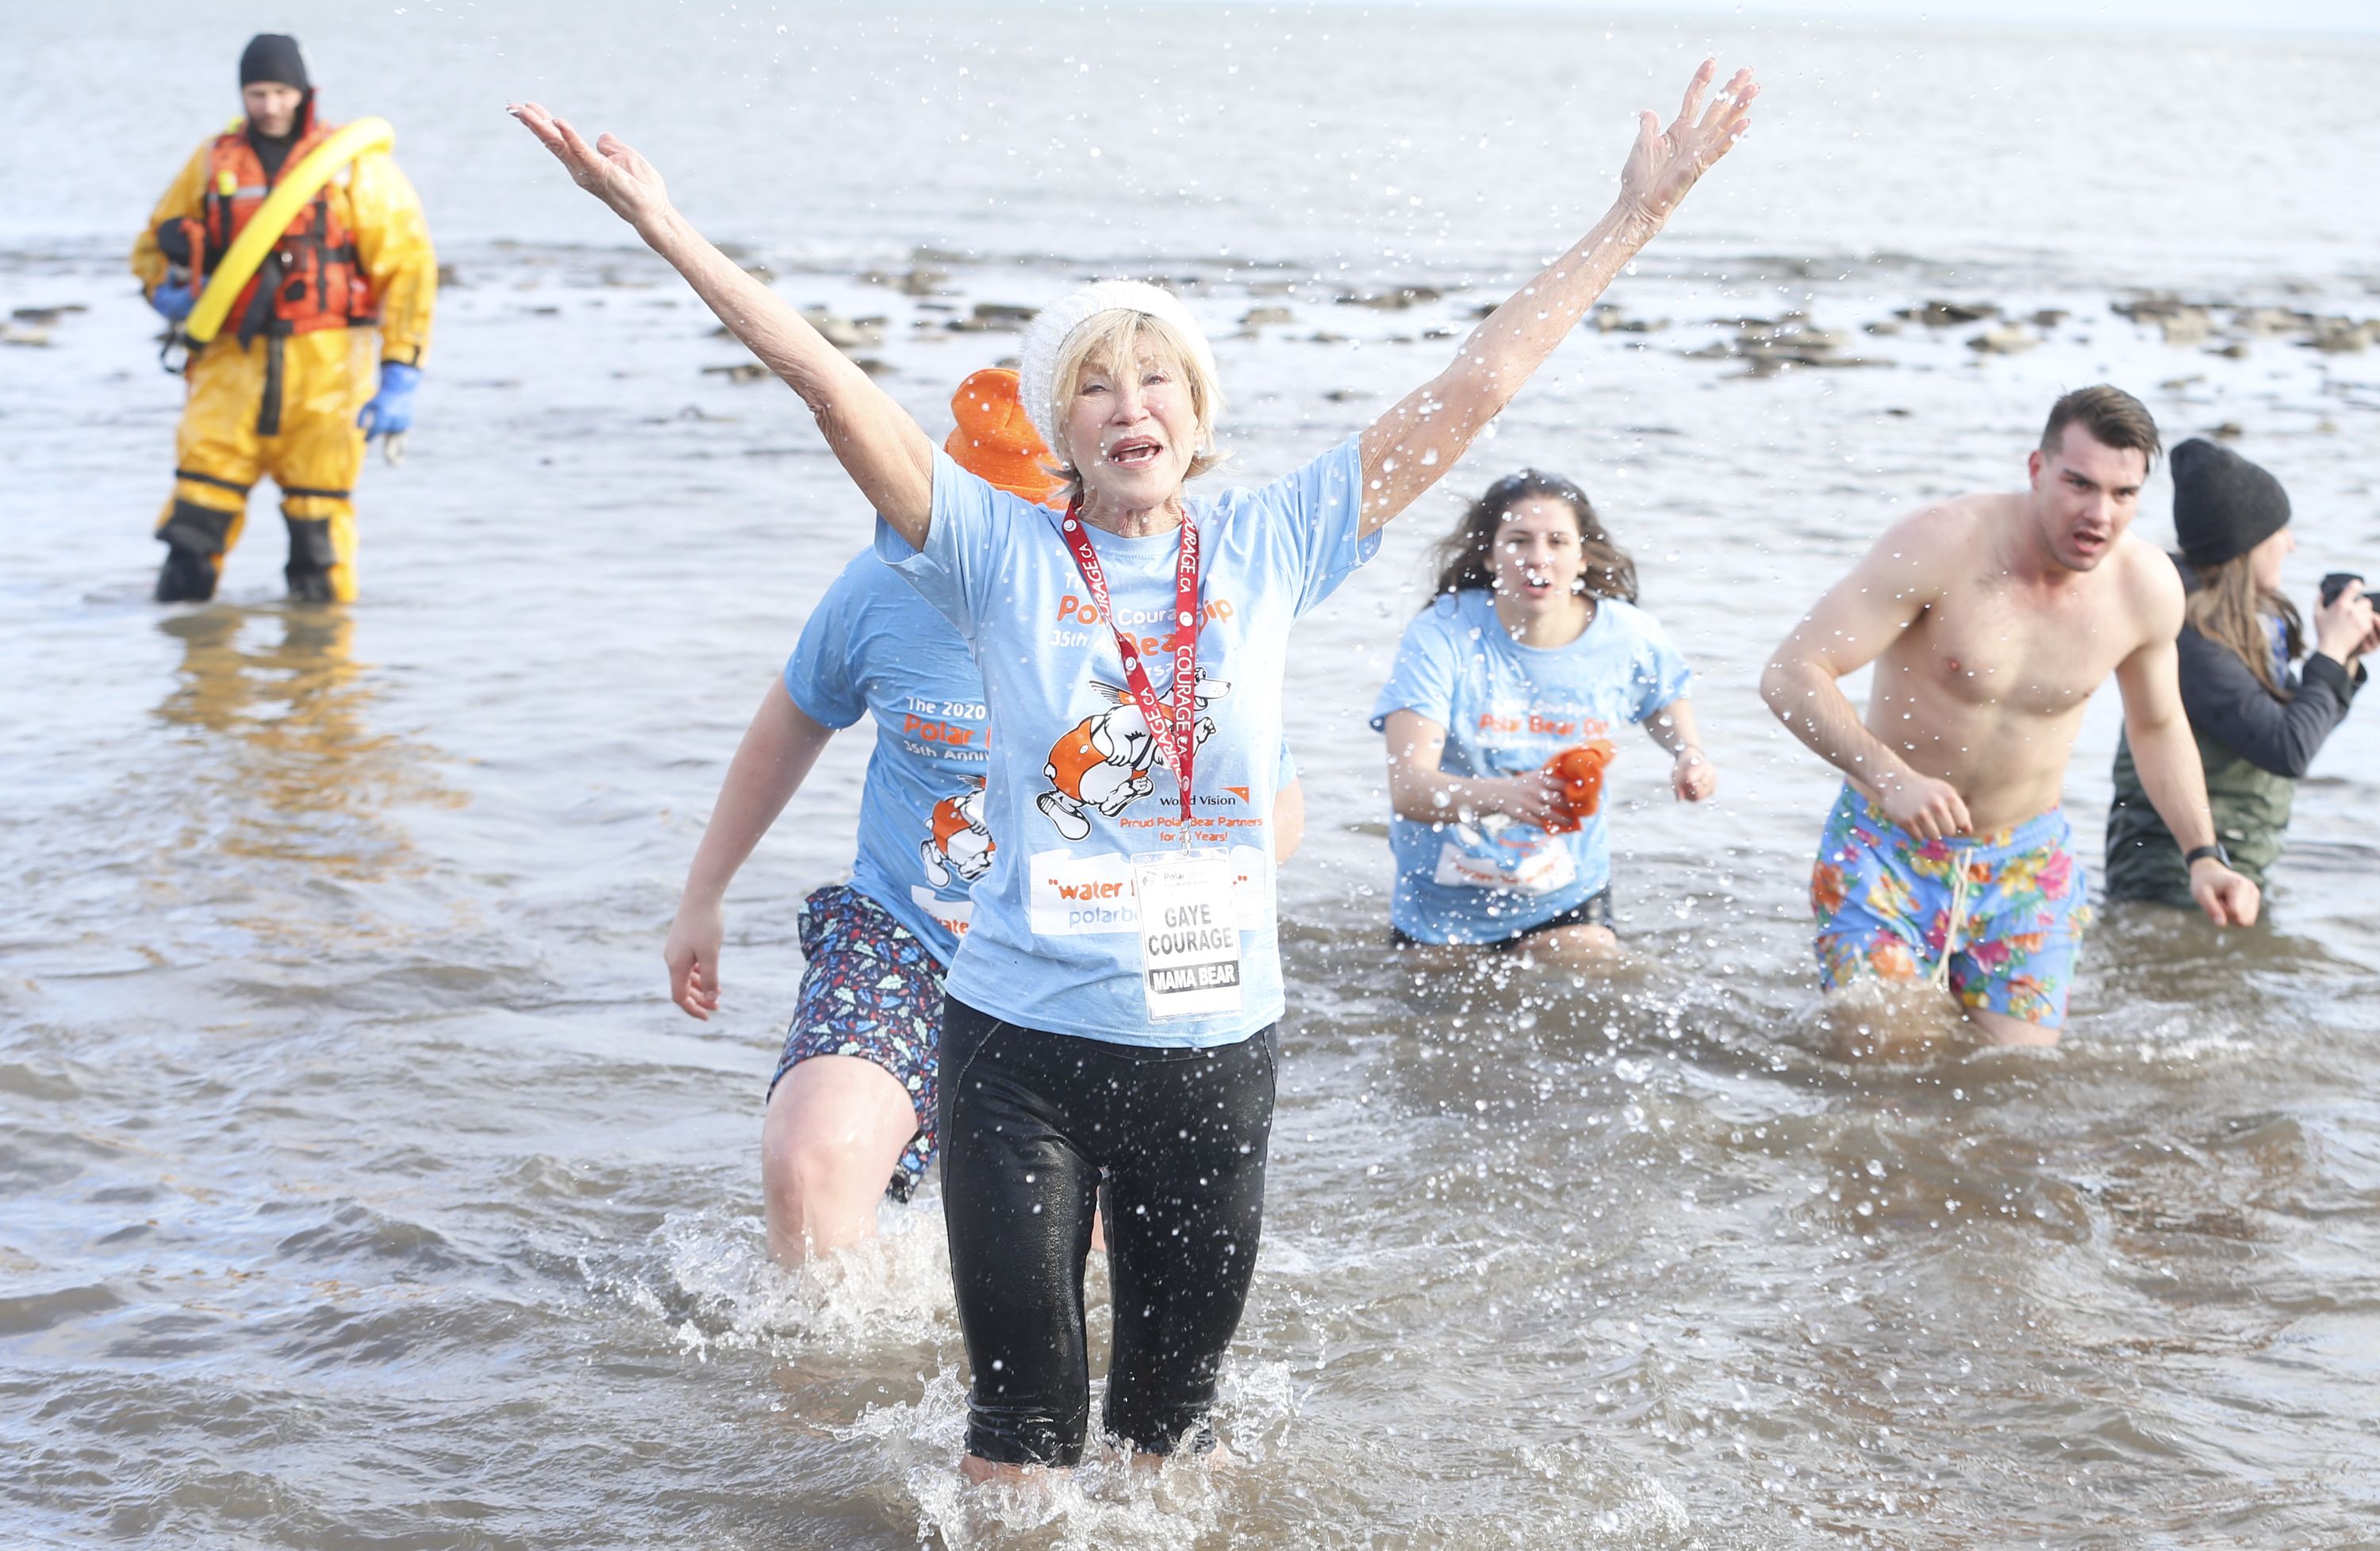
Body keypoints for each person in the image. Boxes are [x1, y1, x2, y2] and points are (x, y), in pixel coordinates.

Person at [512, 56, 1756, 1475]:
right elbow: (827, 383)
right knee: (1019, 1443)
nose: (1127, 401)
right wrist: (665, 230)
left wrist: (1635, 218)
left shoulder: (1277, 543)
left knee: (1174, 1446)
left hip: (1210, 1051)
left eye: (1153, 374)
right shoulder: (996, 553)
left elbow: (1475, 387)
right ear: (1062, 432)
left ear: (1197, 411)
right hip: (1018, 1047)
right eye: (1092, 384)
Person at [663, 368, 1308, 1265]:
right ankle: (827, 1388)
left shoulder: (1165, 608)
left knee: (1100, 1251)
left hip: (1084, 961)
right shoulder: (883, 589)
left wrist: (1171, 917)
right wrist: (704, 893)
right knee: (813, 1163)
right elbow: (789, 724)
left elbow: (1272, 813)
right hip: (912, 930)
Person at [1760, 386, 2262, 1050]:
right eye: (2078, 483)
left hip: (2026, 866)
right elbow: (1792, 673)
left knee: (2013, 1092)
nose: (2099, 513)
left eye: (2122, 494)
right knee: (1885, 1069)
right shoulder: (1942, 543)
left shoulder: (2146, 589)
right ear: (2036, 468)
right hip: (1887, 849)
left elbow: (2158, 726)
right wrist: (1890, 778)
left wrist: (2203, 854)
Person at [132, 33, 435, 604]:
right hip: (227, 375)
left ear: (302, 92)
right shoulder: (211, 162)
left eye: (279, 91)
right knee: (191, 540)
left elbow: (409, 270)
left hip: (324, 381)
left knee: (319, 553)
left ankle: (321, 684)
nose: (269, 105)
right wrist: (168, 295)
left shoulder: (355, 170)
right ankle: (194, 676)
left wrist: (402, 370)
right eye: (257, 92)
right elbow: (151, 248)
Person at [1372, 470, 1715, 964]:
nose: (1538, 558)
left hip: (1565, 891)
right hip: (1441, 904)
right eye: (1518, 541)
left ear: (1582, 555)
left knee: (1593, 983)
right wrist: (1509, 797)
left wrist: (1688, 752)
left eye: (1557, 541)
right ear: (1490, 555)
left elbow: (1663, 699)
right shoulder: (1441, 634)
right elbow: (1409, 788)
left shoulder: (1626, 635)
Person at [2104, 440, 2374, 907]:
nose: (2290, 543)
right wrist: (2328, 654)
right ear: (2245, 544)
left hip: (2234, 858)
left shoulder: (2244, 621)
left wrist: (2343, 662)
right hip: (2169, 873)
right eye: (2279, 531)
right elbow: (2286, 750)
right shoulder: (2188, 632)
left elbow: (2296, 729)